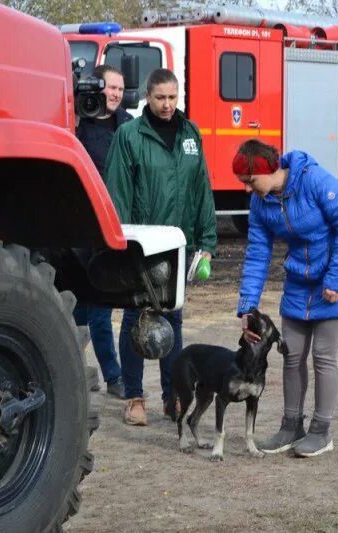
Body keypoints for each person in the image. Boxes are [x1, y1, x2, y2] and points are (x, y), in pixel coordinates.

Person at [233, 139, 338, 458]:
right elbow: (257, 254)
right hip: (300, 283)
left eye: (250, 181)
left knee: (323, 354)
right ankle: (291, 426)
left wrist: (336, 280)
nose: (247, 189)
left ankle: (321, 431)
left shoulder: (315, 181)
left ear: (270, 170)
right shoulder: (261, 202)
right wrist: (247, 308)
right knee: (292, 354)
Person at [104, 68, 217, 426]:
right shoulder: (129, 136)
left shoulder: (190, 134)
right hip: (141, 245)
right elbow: (117, 190)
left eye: (172, 97)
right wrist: (118, 242)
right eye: (160, 98)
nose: (167, 105)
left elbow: (202, 189)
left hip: (177, 243)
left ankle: (174, 399)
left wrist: (207, 241)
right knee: (135, 320)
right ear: (148, 98)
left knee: (174, 319)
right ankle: (135, 397)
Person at [73, 64, 133, 397]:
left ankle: (75, 350)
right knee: (97, 302)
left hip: (119, 222)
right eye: (110, 88)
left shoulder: (128, 125)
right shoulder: (78, 122)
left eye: (120, 90)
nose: (115, 95)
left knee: (87, 304)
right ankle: (113, 377)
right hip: (85, 224)